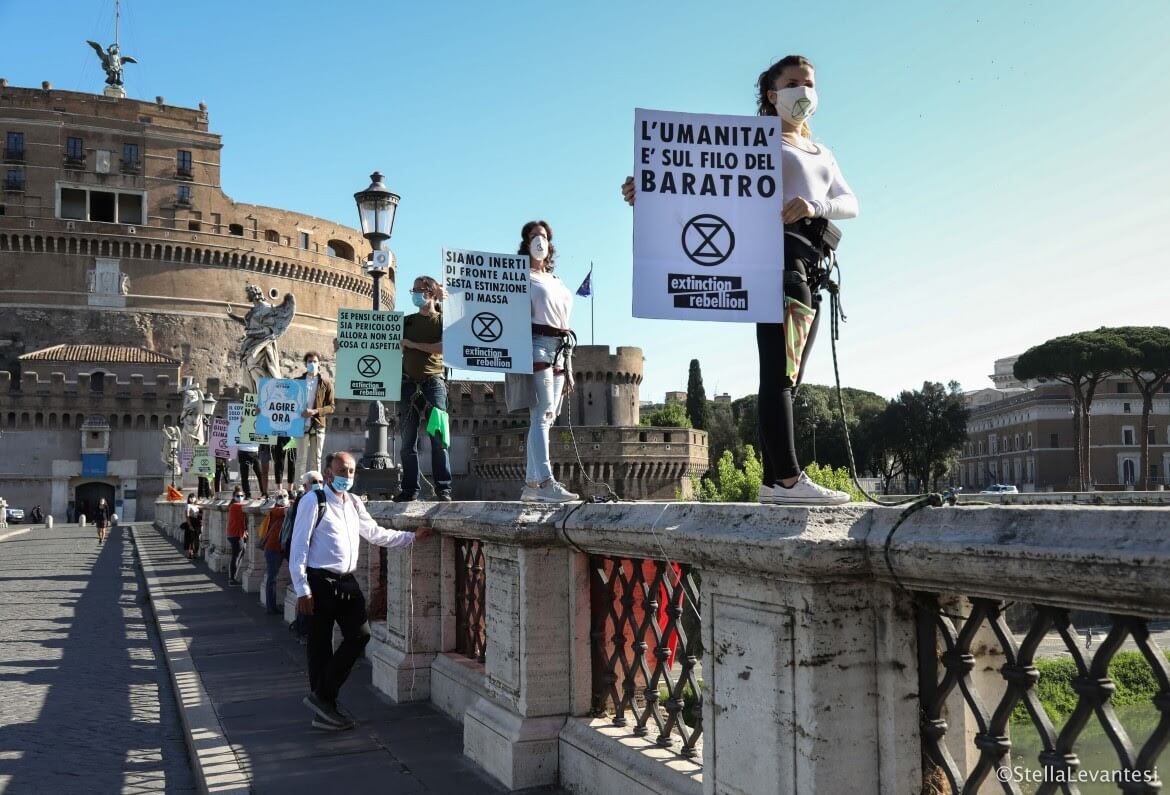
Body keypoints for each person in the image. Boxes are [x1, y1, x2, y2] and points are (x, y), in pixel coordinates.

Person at [621, 55, 856, 505]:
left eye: (810, 83)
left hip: (810, 263)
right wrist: (649, 190)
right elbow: (700, 182)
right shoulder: (754, 145)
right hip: (775, 262)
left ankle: (773, 479)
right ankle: (786, 479)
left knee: (788, 373)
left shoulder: (822, 152)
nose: (804, 91)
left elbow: (849, 202)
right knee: (780, 373)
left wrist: (813, 206)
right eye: (794, 83)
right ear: (772, 93)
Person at [290, 451, 431, 730]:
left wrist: (411, 537)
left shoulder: (354, 503)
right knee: (319, 647)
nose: (347, 476)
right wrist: (302, 589)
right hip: (319, 581)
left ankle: (322, 696)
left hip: (346, 581)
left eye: (351, 471)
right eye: (341, 471)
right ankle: (324, 710)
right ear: (328, 473)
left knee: (360, 635)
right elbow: (299, 546)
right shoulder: (313, 501)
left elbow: (375, 533)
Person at [503, 220, 579, 503]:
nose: (539, 240)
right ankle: (545, 481)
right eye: (534, 236)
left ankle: (531, 485)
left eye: (544, 236)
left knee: (548, 415)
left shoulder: (556, 280)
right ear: (526, 243)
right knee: (543, 413)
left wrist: (569, 364)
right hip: (535, 345)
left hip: (560, 348)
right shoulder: (519, 277)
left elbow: (563, 319)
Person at [395, 276, 453, 502]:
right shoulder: (406, 322)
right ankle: (410, 490)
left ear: (431, 293)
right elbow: (380, 341)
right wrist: (348, 344)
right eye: (413, 289)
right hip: (407, 383)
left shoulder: (442, 321)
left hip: (434, 383)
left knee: (439, 439)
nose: (415, 294)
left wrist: (412, 345)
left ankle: (444, 489)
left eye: (419, 289)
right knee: (407, 442)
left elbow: (443, 347)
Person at [297, 352, 335, 477]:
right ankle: (299, 488)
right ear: (305, 364)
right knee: (301, 459)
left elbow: (331, 407)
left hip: (318, 425)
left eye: (314, 361)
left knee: (316, 459)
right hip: (301, 425)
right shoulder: (297, 382)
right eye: (309, 361)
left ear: (319, 364)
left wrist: (315, 411)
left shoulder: (326, 383)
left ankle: (315, 486)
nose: (312, 364)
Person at [261, 490, 289, 615]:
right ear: (275, 499)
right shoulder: (275, 510)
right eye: (280, 497)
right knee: (272, 578)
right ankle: (270, 607)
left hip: (284, 548)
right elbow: (287, 511)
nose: (283, 498)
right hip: (273, 549)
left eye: (285, 496)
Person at [226, 486, 248, 585]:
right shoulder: (235, 506)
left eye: (242, 495)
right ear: (234, 497)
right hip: (235, 534)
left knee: (239, 553)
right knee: (236, 556)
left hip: (236, 534)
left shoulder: (234, 505)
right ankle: (232, 579)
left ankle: (233, 576)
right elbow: (247, 506)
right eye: (238, 496)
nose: (240, 497)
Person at [183, 494, 202, 559]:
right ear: (188, 499)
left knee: (196, 538)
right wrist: (190, 525)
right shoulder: (188, 505)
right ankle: (190, 553)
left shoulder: (196, 506)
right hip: (191, 522)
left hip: (197, 523)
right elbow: (187, 516)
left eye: (193, 497)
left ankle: (195, 552)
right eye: (191, 497)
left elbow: (200, 511)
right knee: (190, 539)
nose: (192, 498)